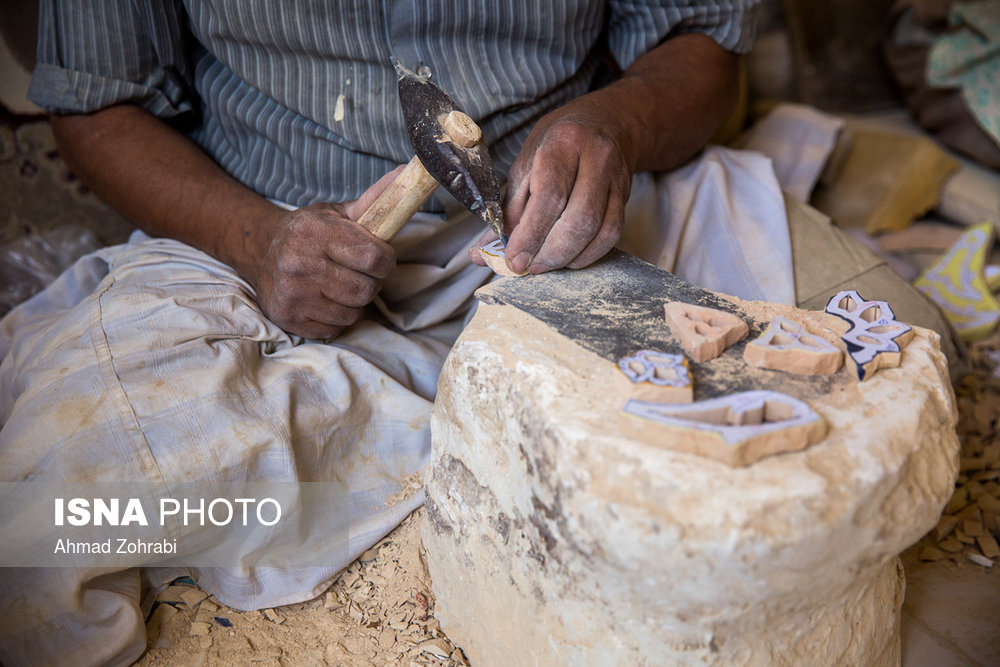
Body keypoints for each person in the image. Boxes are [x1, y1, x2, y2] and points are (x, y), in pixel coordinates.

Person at [0, 1, 962, 665]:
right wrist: (253, 238)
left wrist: (613, 125)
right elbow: (95, 103)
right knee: (59, 517)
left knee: (903, 365)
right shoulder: (250, 235)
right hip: (253, 228)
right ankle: (407, 502)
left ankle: (451, 499)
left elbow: (702, 52)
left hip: (572, 211)